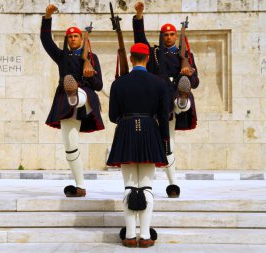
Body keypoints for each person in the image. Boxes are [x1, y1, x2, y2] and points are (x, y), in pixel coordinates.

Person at [133, 1, 200, 198]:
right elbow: (139, 39)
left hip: (176, 95)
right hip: (159, 100)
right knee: (166, 142)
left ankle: (182, 100)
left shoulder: (186, 56)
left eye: (172, 34)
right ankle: (171, 183)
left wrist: (186, 74)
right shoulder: (153, 53)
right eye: (166, 34)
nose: (169, 37)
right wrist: (139, 16)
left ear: (176, 36)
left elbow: (196, 82)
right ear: (162, 36)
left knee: (183, 94)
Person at [107, 43, 170, 248]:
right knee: (147, 187)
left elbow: (112, 116)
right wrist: (164, 142)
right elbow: (163, 116)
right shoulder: (159, 83)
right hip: (151, 131)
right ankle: (145, 236)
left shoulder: (118, 84)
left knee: (129, 186)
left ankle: (129, 235)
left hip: (126, 130)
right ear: (147, 59)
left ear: (132, 59)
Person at [40, 4, 104, 197]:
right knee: (70, 145)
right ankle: (80, 185)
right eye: (70, 36)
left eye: (76, 36)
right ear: (67, 40)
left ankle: (75, 93)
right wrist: (47, 16)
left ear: (81, 39)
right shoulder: (62, 56)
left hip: (84, 96)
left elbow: (99, 85)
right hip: (65, 100)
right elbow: (46, 40)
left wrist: (90, 74)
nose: (73, 38)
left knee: (80, 94)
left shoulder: (92, 58)